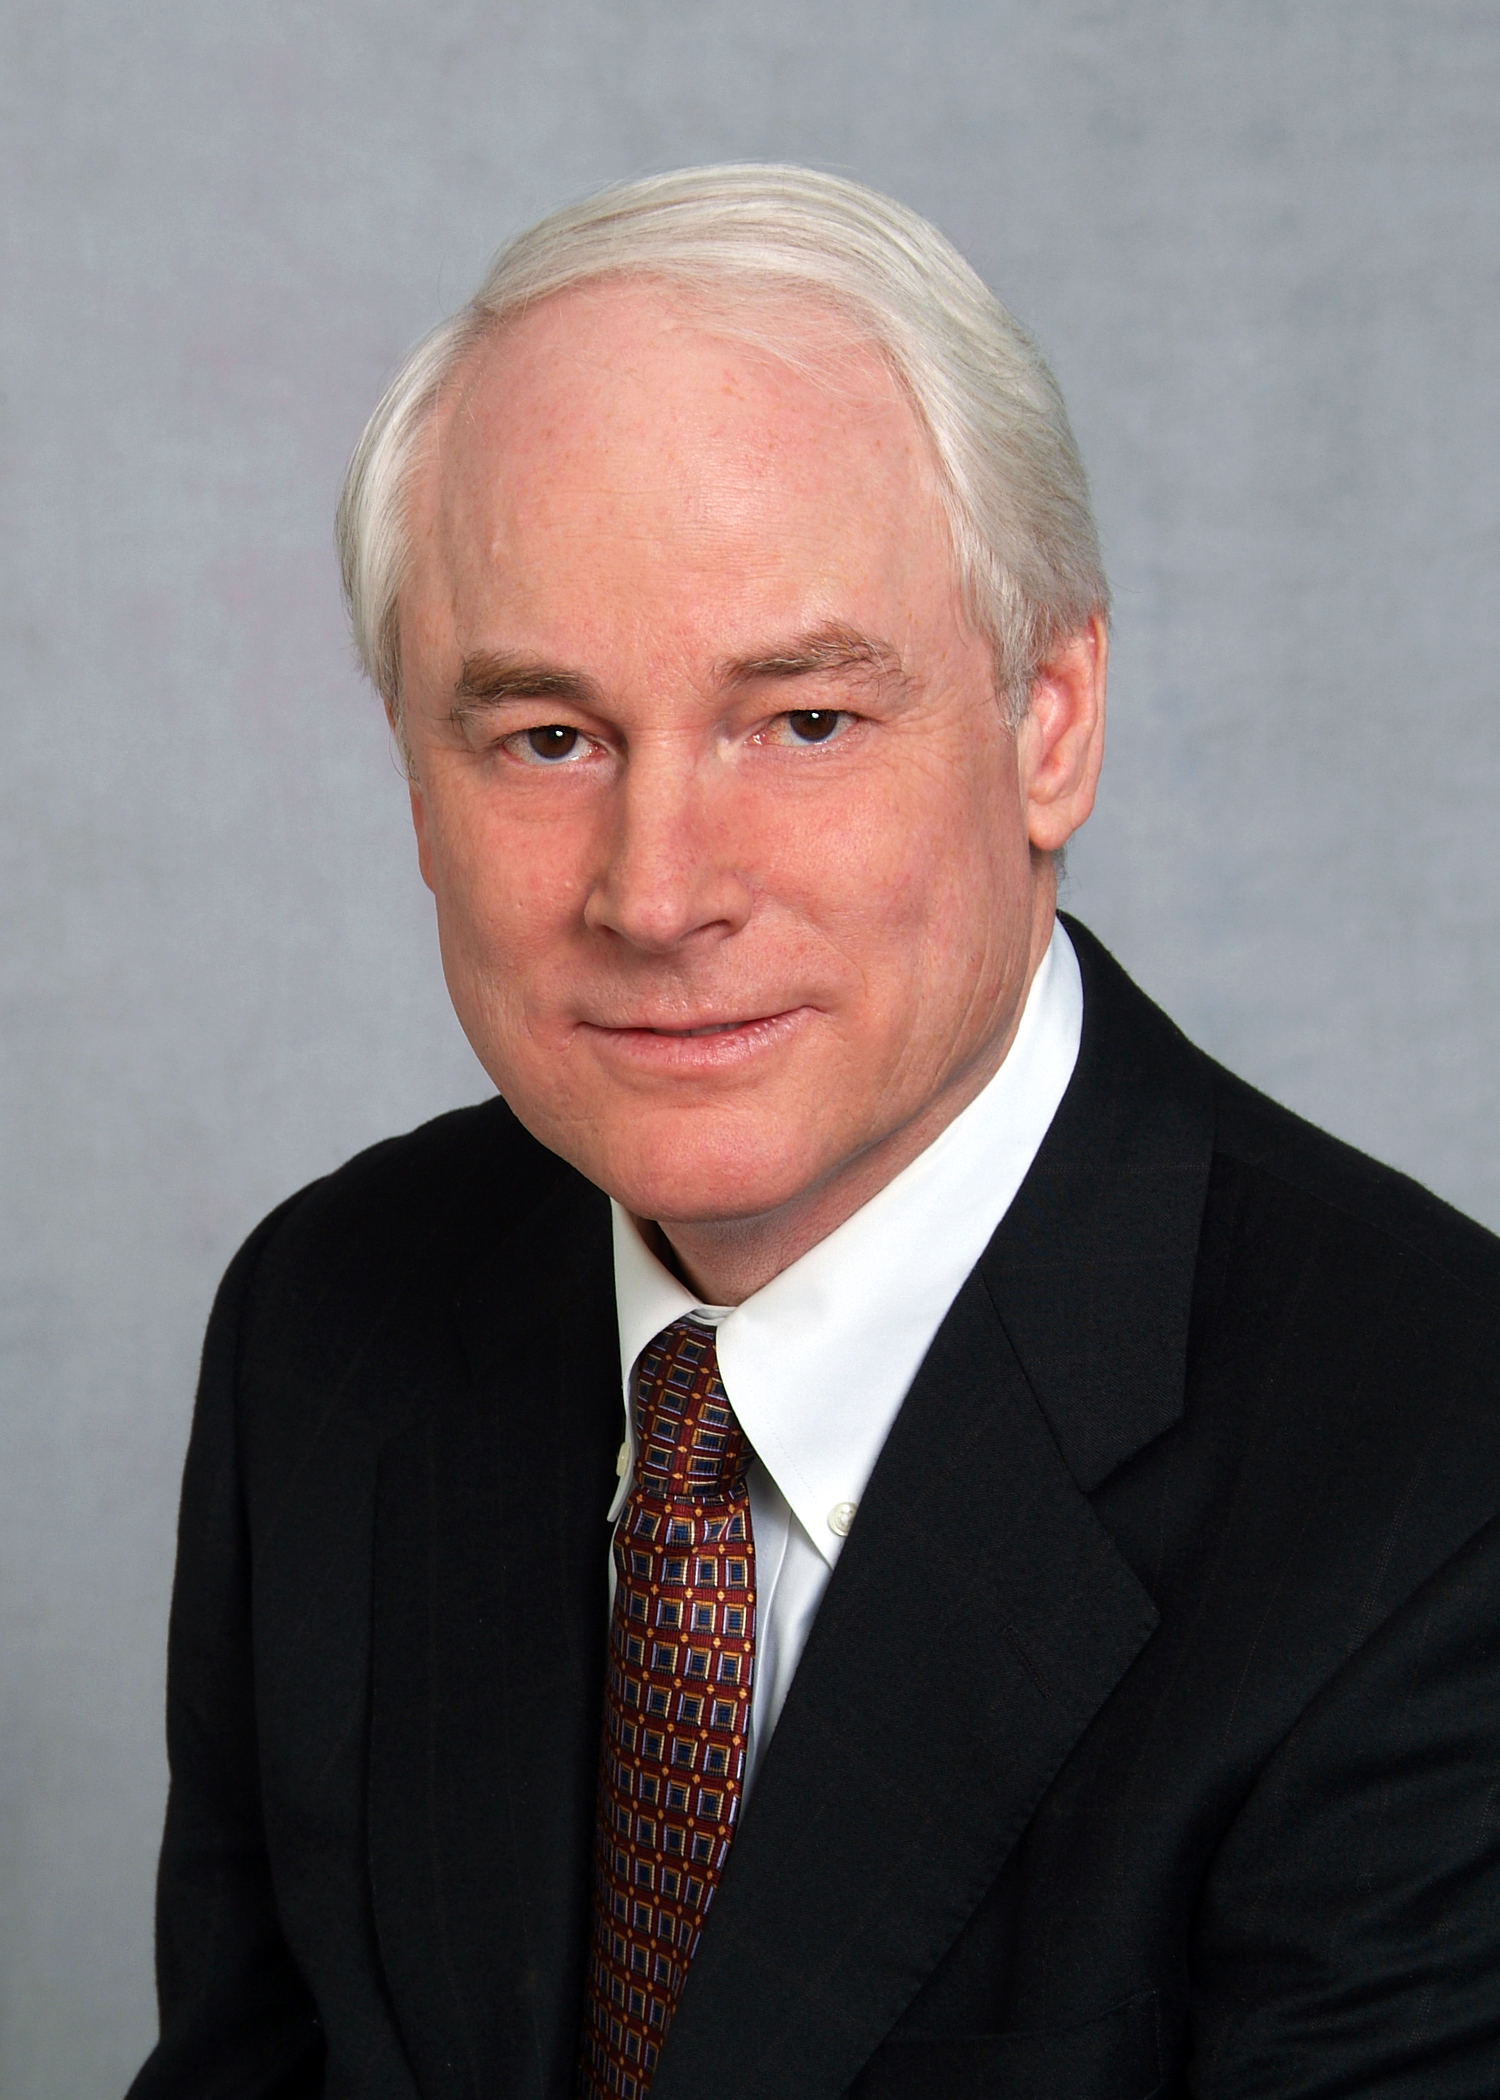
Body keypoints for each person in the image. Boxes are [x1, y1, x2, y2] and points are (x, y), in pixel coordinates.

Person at [127, 166, 1500, 2100]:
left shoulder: (1437, 1484)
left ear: (1050, 721)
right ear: (415, 783)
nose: (659, 892)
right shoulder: (328, 1324)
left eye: (803, 722)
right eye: (547, 739)